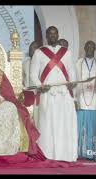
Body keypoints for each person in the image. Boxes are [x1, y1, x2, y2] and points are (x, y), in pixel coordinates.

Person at [30, 26, 78, 162]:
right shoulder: (39, 53)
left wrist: (72, 83)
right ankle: (48, 154)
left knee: (65, 124)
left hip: (64, 94)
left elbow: (72, 73)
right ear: (46, 36)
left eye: (55, 33)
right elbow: (33, 74)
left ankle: (66, 155)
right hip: (48, 94)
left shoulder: (66, 52)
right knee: (48, 125)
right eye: (50, 34)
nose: (52, 36)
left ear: (58, 35)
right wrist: (40, 86)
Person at [75, 41, 96, 159]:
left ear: (95, 48)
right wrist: (74, 99)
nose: (90, 48)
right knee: (80, 127)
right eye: (88, 46)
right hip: (81, 98)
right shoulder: (78, 63)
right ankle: (79, 152)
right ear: (84, 48)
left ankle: (92, 152)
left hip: (95, 100)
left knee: (93, 128)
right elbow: (74, 82)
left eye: (92, 46)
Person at [22, 41, 41, 126]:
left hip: (39, 96)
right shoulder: (25, 63)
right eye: (30, 48)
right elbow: (21, 79)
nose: (30, 50)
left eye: (33, 48)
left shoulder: (42, 63)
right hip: (27, 96)